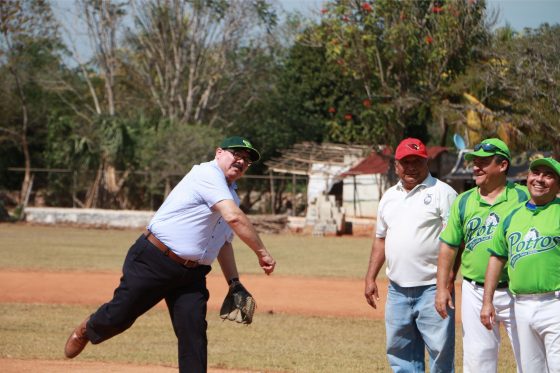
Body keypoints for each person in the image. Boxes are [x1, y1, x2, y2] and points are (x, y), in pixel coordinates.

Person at [63, 136, 276, 372]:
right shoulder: (207, 175)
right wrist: (261, 252)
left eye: (246, 160)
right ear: (218, 153)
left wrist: (234, 282)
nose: (241, 161)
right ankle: (88, 328)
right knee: (119, 317)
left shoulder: (231, 195)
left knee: (193, 332)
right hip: (154, 260)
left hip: (192, 275)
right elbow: (234, 217)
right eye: (236, 154)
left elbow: (223, 243)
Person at [364, 138, 458, 372]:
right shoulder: (388, 197)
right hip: (397, 290)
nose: (412, 167)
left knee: (440, 352)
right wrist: (370, 278)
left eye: (417, 161)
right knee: (400, 353)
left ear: (427, 162)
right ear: (396, 165)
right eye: (406, 162)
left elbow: (456, 241)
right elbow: (380, 238)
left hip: (432, 288)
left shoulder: (443, 193)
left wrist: (446, 281)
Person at [435, 138, 527, 373]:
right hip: (474, 291)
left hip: (517, 291)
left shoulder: (524, 198)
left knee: (529, 360)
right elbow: (448, 246)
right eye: (474, 162)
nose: (476, 167)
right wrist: (442, 287)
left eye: (483, 162)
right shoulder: (464, 201)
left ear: (503, 165)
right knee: (478, 361)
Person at [481, 157, 560, 373]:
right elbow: (497, 258)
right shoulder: (512, 215)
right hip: (521, 305)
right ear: (528, 177)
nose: (540, 179)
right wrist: (487, 301)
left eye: (549, 175)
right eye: (536, 173)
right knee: (530, 369)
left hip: (555, 303)